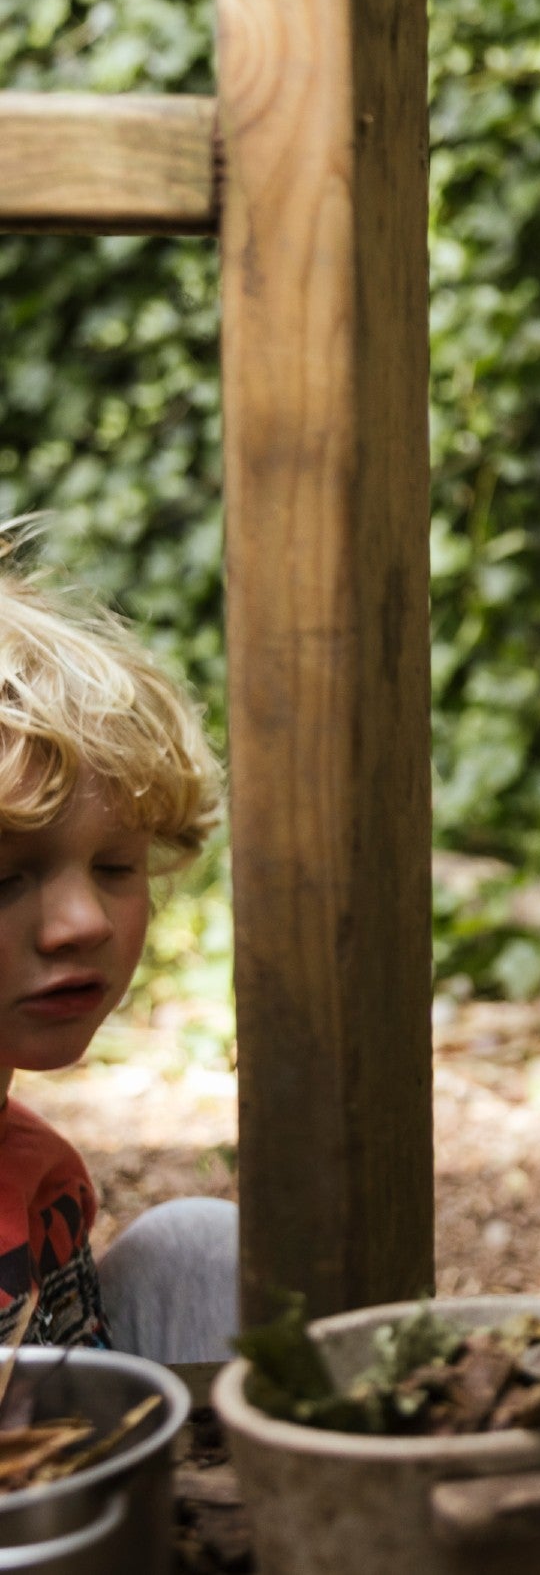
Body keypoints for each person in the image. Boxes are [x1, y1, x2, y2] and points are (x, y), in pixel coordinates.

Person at [0, 539, 237, 1361]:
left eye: (115, 867)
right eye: (5, 880)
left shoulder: (42, 1179)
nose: (83, 923)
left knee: (200, 1254)